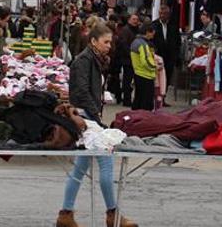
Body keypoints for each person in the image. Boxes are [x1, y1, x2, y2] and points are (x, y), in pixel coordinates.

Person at [57, 24, 137, 227]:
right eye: (106, 42)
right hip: (87, 120)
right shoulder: (84, 61)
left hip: (88, 118)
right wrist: (97, 119)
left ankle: (65, 215)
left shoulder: (92, 60)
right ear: (93, 41)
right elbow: (82, 92)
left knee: (79, 169)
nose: (109, 46)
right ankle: (113, 216)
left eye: (111, 42)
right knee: (106, 163)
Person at [151, 5, 180, 104]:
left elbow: (177, 41)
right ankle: (155, 97)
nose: (163, 16)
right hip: (158, 56)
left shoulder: (173, 26)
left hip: (169, 57)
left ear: (169, 15)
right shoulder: (154, 25)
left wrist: (176, 56)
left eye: (165, 14)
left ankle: (163, 97)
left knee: (166, 77)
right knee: (156, 78)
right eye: (161, 14)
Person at [114, 14, 140, 106]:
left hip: (135, 59)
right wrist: (131, 54)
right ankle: (127, 100)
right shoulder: (126, 30)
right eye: (133, 19)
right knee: (127, 80)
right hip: (127, 60)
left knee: (131, 81)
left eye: (137, 19)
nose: (135, 21)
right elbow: (124, 44)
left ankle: (130, 99)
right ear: (129, 20)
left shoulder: (136, 30)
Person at [130, 23, 157, 111]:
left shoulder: (135, 42)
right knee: (146, 103)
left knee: (138, 100)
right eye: (153, 32)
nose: (153, 35)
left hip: (138, 73)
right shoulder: (143, 44)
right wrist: (155, 66)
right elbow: (146, 60)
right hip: (146, 75)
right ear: (147, 32)